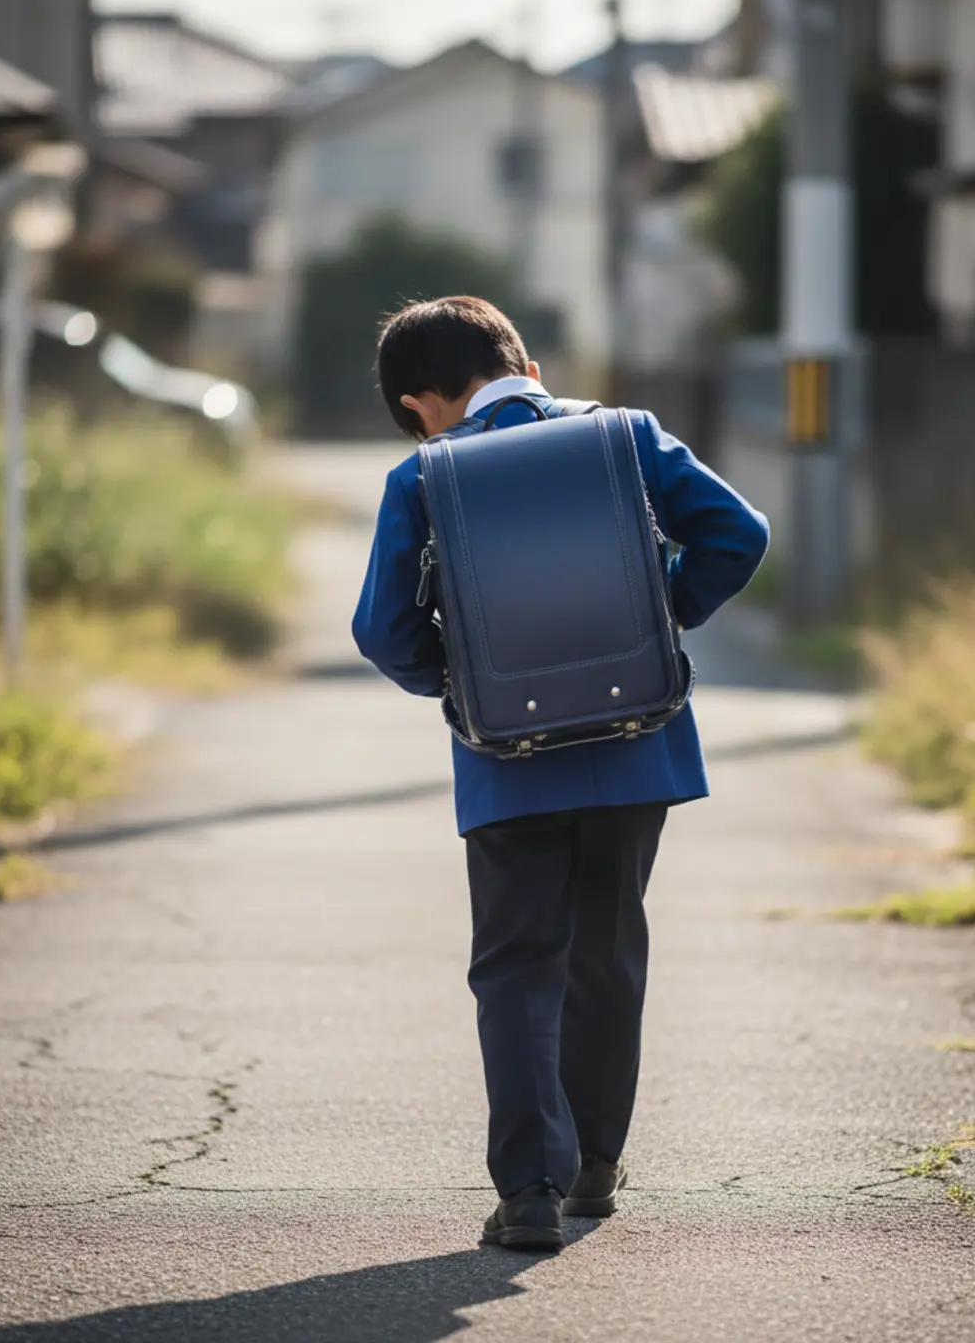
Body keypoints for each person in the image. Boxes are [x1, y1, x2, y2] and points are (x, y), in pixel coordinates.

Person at [353, 296, 769, 1252]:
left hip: (507, 762)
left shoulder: (424, 474)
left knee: (515, 966)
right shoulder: (627, 436)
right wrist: (657, 615)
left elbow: (382, 631)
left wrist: (463, 681)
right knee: (607, 954)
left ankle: (530, 1190)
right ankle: (595, 1168)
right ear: (526, 366)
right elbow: (738, 535)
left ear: (421, 402)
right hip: (638, 745)